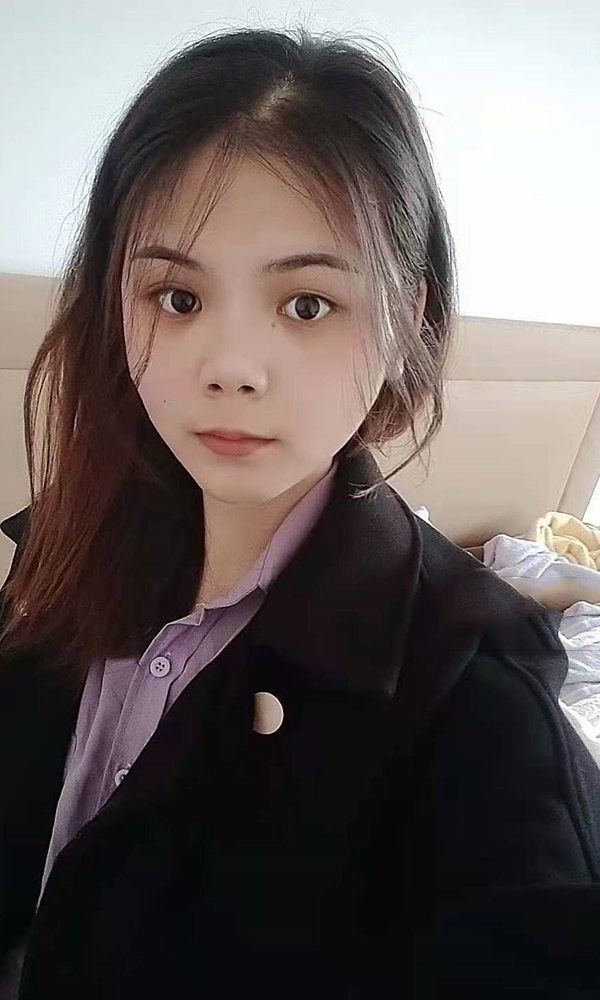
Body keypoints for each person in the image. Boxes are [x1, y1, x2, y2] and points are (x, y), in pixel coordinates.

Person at [0, 24, 599, 1000]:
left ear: (405, 318)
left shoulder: (474, 689)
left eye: (307, 304)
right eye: (176, 297)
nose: (230, 366)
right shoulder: (67, 539)